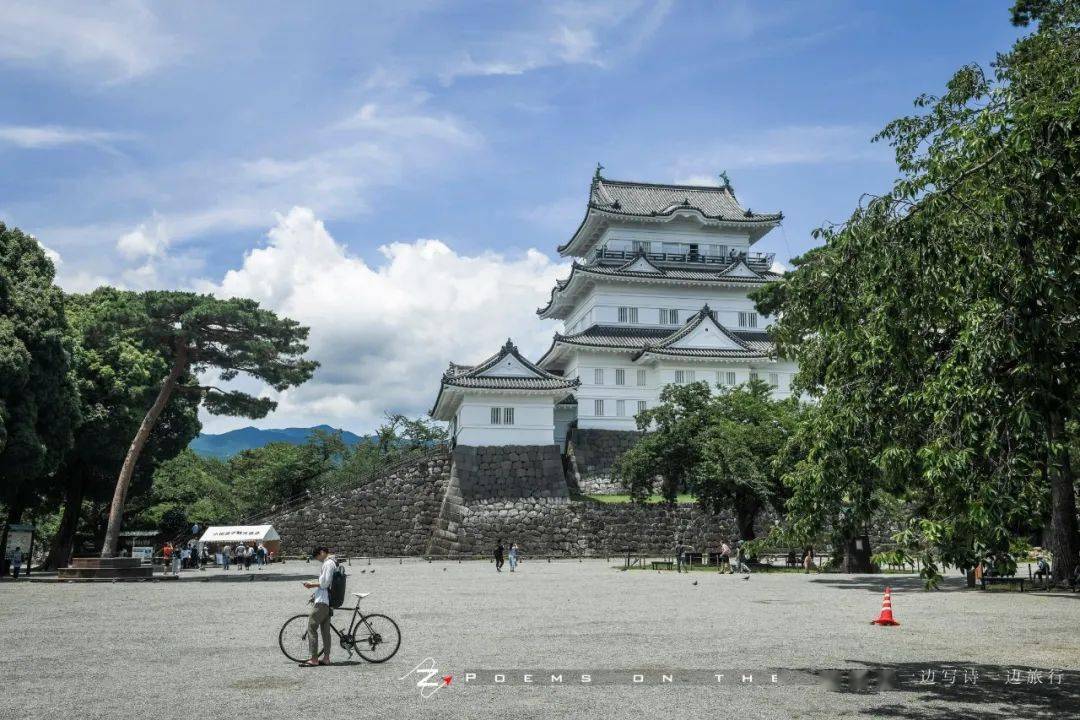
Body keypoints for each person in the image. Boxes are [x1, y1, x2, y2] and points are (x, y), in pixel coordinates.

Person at [300, 546, 337, 667]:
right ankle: (326, 658)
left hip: (323, 601)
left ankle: (314, 658)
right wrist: (315, 592)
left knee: (311, 626)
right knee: (325, 631)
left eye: (317, 556)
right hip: (327, 601)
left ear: (322, 553)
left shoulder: (328, 564)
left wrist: (312, 585)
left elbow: (325, 583)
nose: (317, 559)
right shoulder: (332, 563)